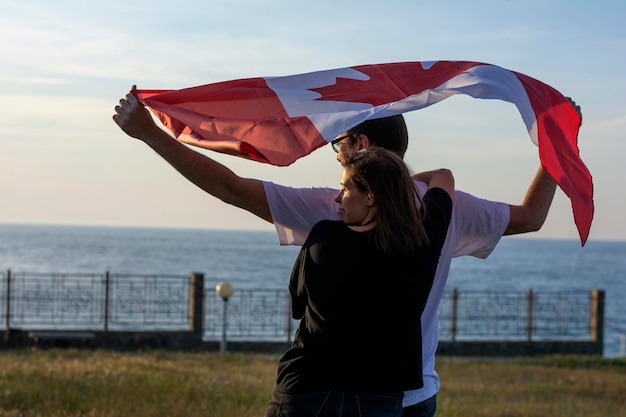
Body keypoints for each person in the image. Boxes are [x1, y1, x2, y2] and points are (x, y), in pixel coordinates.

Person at [114, 92, 574, 416]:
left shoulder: (329, 205)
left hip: (331, 391)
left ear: (361, 146)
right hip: (411, 393)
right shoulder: (446, 209)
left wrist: (151, 136)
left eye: (338, 142)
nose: (334, 154)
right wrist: (558, 143)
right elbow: (532, 216)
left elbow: (229, 187)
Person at [264, 147, 454, 417]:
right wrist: (397, 184)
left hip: (308, 390)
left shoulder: (324, 238)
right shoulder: (424, 243)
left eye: (345, 188)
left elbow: (298, 303)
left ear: (371, 196)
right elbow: (444, 177)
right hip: (378, 398)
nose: (338, 198)